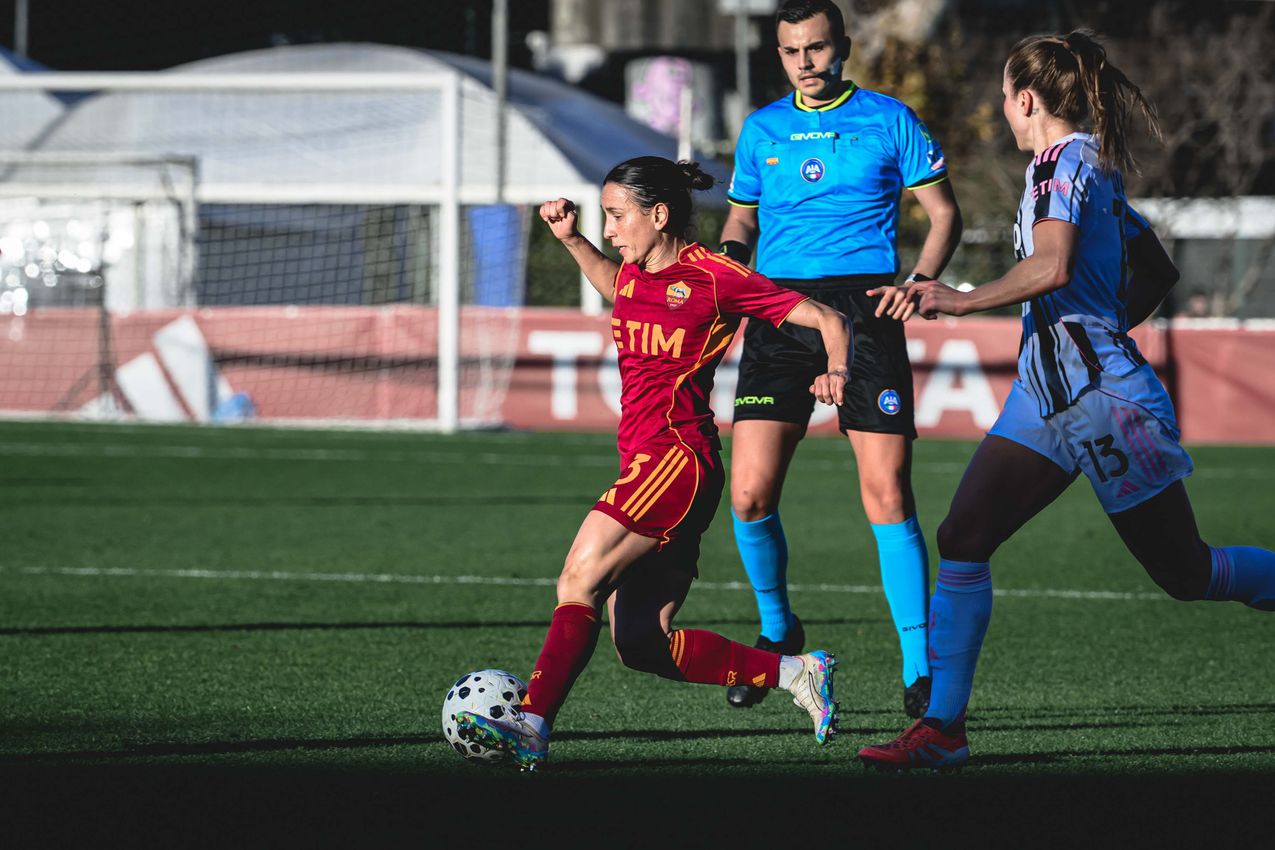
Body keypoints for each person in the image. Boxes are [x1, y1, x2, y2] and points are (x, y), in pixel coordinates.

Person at [857, 30, 1275, 771]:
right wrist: (1096, 328)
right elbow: (1154, 267)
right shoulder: (1082, 165)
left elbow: (1051, 267)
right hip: (1046, 394)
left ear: (1025, 100)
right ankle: (943, 728)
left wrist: (958, 300)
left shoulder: (1062, 165)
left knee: (1187, 574)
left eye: (1003, 97)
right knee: (963, 536)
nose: (1003, 110)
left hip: (1101, 399)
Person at [455, 156, 852, 771]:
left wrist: (836, 369)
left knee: (578, 578)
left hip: (677, 459)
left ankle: (531, 722)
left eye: (617, 216)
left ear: (659, 214)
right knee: (640, 642)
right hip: (649, 465)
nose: (609, 229)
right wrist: (572, 240)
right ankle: (796, 672)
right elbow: (616, 286)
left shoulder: (715, 276)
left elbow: (827, 317)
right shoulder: (634, 276)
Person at [719, 0, 962, 716]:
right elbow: (741, 215)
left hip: (866, 311)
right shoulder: (761, 128)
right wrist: (729, 262)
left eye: (817, 47)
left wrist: (919, 281)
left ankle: (919, 666)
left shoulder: (889, 118)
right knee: (748, 495)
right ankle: (777, 631)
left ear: (843, 46)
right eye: (792, 50)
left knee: (886, 494)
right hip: (777, 312)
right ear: (779, 53)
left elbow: (944, 213)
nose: (805, 61)